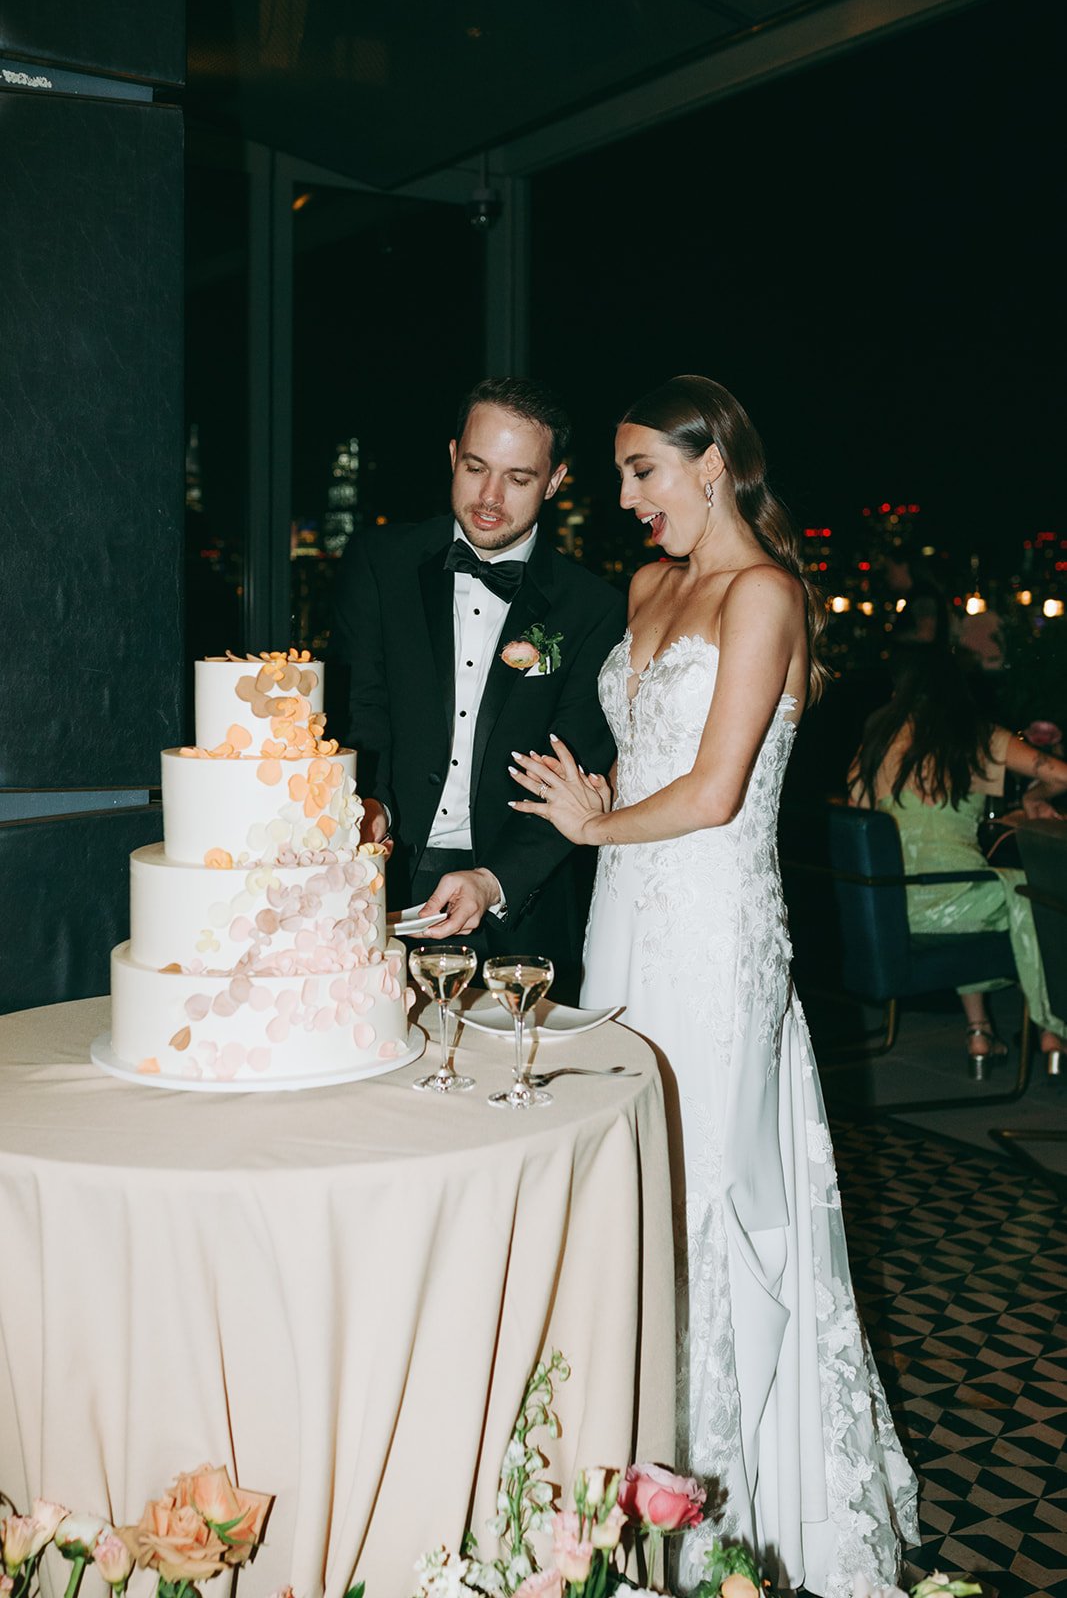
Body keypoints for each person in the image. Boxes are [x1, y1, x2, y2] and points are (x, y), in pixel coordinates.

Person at [510, 376, 918, 1595]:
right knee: (627, 1181)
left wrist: (595, 826)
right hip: (623, 929)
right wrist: (580, 810)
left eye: (643, 472)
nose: (626, 498)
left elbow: (712, 790)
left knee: (709, 1196)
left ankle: (722, 1517)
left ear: (711, 464)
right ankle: (622, 1477)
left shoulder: (766, 594)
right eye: (623, 473)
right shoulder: (643, 588)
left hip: (713, 930)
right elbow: (637, 758)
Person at [330, 377, 625, 994]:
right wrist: (372, 807)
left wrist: (495, 879)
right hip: (385, 887)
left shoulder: (593, 608)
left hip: (519, 903)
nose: (490, 497)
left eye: (518, 478)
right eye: (475, 468)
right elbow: (363, 713)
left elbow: (576, 768)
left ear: (555, 481)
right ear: (452, 457)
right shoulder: (380, 561)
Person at [849, 647, 1067, 1068]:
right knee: (1035, 896)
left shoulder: (876, 740)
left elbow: (860, 814)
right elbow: (1059, 773)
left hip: (888, 907)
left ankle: (979, 1031)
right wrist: (1037, 793)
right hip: (959, 902)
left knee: (983, 887)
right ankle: (1052, 1030)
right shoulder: (978, 737)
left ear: (902, 689)